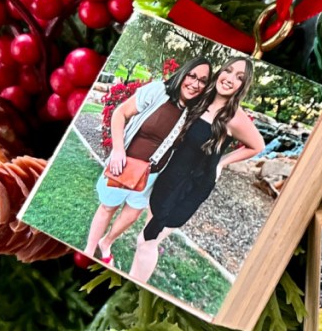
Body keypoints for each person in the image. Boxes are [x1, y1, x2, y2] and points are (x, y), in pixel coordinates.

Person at [129, 56, 265, 283]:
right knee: (146, 236)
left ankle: (135, 282)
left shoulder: (234, 118)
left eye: (239, 77)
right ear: (220, 72)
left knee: (147, 240)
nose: (230, 79)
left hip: (190, 187)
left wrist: (222, 162)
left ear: (243, 86)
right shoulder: (202, 99)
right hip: (170, 176)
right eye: (228, 71)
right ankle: (134, 278)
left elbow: (257, 146)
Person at [83, 57, 213, 265]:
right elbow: (120, 113)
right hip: (124, 164)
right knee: (108, 207)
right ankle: (89, 250)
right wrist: (117, 150)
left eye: (203, 80)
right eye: (192, 76)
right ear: (183, 74)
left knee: (132, 214)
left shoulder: (192, 111)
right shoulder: (157, 91)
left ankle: (105, 243)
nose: (195, 84)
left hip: (152, 174)